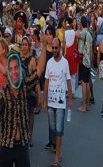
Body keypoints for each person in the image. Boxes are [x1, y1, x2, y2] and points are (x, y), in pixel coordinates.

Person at [43, 38, 72, 167]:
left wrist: (70, 99)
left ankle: (56, 157)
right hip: (50, 102)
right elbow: (46, 82)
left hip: (60, 103)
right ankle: (58, 151)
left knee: (59, 130)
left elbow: (69, 81)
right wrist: (44, 101)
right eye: (52, 48)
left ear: (60, 48)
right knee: (53, 129)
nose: (54, 50)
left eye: (56, 48)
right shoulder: (49, 63)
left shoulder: (65, 63)